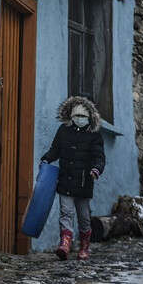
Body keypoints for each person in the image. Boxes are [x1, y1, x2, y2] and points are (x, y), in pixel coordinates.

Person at [40, 96, 105, 261]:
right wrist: (46, 159)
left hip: (84, 182)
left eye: (83, 116)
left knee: (83, 217)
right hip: (66, 179)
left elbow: (99, 156)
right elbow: (55, 149)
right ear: (71, 116)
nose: (79, 119)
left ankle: (84, 246)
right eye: (76, 116)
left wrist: (96, 169)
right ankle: (65, 244)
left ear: (89, 117)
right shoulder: (63, 130)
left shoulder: (94, 135)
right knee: (66, 213)